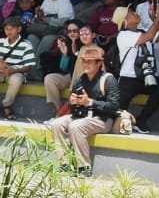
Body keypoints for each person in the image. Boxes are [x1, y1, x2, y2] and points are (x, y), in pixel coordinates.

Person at [45, 45, 119, 174]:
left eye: (89, 61)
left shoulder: (109, 80)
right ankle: (64, 163)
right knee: (57, 124)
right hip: (81, 115)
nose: (85, 64)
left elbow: (113, 106)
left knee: (75, 126)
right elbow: (72, 105)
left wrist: (90, 102)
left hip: (102, 119)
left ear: (99, 63)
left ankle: (83, 166)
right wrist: (73, 102)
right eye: (84, 61)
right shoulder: (80, 79)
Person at [115, 4, 159, 132]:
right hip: (128, 78)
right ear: (125, 21)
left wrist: (154, 19)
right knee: (119, 108)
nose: (135, 13)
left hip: (146, 77)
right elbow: (148, 37)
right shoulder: (123, 35)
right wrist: (158, 19)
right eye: (131, 13)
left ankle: (141, 120)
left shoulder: (143, 31)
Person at [0, 14, 36, 120]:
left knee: (17, 79)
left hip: (16, 72)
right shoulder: (1, 42)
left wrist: (13, 70)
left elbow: (29, 66)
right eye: (6, 29)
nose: (8, 31)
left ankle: (6, 105)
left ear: (19, 29)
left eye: (11, 29)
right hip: (0, 72)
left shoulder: (26, 44)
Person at [40, 20, 86, 111]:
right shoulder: (67, 44)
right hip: (70, 76)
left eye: (75, 31)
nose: (72, 33)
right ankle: (59, 110)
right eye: (69, 31)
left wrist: (76, 53)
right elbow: (64, 69)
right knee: (49, 79)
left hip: (83, 78)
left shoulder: (86, 43)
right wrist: (65, 56)